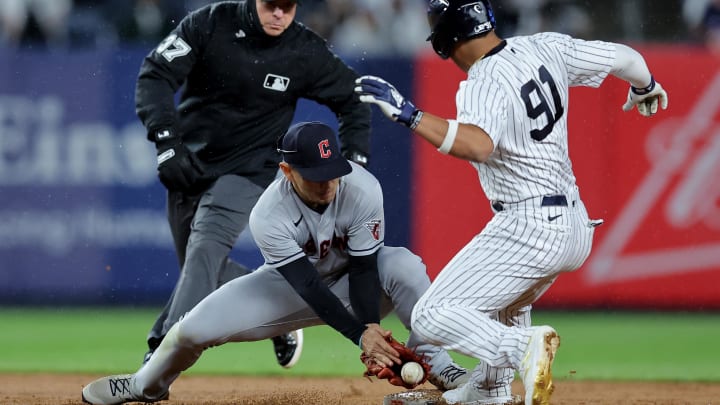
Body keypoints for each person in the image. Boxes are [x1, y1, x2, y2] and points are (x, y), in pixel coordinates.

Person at [354, 1, 669, 404]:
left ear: (445, 42)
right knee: (505, 306)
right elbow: (626, 58)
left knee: (431, 316)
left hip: (529, 225)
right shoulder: (544, 46)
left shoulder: (483, 78)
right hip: (573, 224)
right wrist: (645, 86)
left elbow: (479, 145)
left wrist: (410, 115)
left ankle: (522, 349)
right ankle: (489, 391)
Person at [81, 121, 469, 404]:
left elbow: (366, 268)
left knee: (403, 264)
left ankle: (438, 363)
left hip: (354, 280)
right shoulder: (268, 213)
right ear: (287, 171)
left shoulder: (362, 187)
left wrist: (369, 329)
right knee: (188, 331)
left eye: (331, 173)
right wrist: (358, 335)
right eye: (315, 177)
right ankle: (145, 385)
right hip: (292, 289)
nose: (328, 184)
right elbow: (307, 285)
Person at [133, 0, 373, 368]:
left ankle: (162, 350)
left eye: (287, 7)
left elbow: (353, 100)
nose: (279, 14)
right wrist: (166, 141)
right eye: (271, 5)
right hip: (190, 163)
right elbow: (155, 74)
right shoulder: (210, 23)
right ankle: (281, 310)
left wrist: (355, 162)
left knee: (206, 246)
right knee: (201, 267)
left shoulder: (303, 49)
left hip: (250, 169)